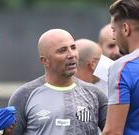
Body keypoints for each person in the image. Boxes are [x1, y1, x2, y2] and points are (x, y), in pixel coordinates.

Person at [9, 29, 108, 135]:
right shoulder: (24, 95)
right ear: (45, 61)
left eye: (73, 48)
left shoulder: (96, 94)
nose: (71, 54)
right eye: (62, 50)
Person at [102, 0, 139, 134]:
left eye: (113, 30)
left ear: (125, 29)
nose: (113, 37)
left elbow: (112, 132)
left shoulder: (122, 68)